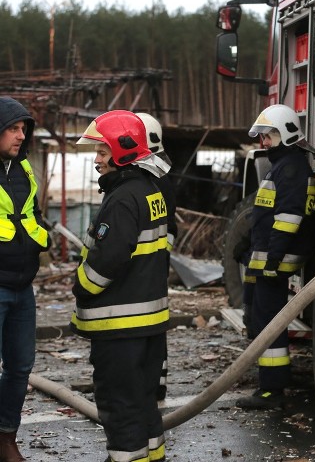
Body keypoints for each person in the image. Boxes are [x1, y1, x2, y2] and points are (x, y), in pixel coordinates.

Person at [72, 110, 172, 462]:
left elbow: (108, 258)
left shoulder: (123, 198)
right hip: (147, 324)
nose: (97, 161)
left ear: (123, 151)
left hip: (121, 328)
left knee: (121, 408)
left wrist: (81, 287)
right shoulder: (149, 190)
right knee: (144, 405)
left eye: (101, 153)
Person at [235, 104, 315, 410]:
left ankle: (271, 391)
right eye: (263, 136)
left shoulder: (292, 167)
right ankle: (273, 381)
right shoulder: (284, 165)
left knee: (269, 323)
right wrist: (248, 244)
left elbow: (287, 218)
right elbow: (268, 214)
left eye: (269, 136)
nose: (264, 142)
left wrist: (272, 259)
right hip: (267, 256)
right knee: (259, 318)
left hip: (274, 260)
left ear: (286, 134)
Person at [0, 97, 50, 462]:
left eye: (23, 130)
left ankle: (6, 438)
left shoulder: (22, 169)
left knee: (20, 366)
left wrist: (41, 237)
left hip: (22, 286)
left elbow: (31, 212)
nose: (21, 136)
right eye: (14, 129)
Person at [135, 112, 176, 403]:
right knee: (154, 322)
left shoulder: (150, 178)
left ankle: (151, 382)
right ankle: (155, 382)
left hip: (146, 263)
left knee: (147, 323)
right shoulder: (159, 172)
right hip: (156, 260)